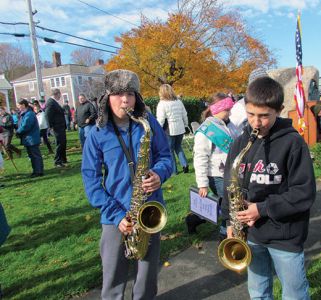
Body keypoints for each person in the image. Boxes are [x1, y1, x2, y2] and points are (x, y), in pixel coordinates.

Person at [221, 76, 316, 299]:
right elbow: (230, 183)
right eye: (251, 114)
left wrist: (261, 209)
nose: (256, 123)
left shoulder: (292, 143)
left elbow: (304, 192)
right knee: (258, 290)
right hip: (251, 234)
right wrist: (229, 219)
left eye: (264, 116)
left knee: (294, 293)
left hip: (285, 234)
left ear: (280, 110)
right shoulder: (240, 142)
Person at [81, 69, 173, 300]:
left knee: (147, 276)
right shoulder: (96, 133)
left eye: (130, 93)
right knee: (113, 276)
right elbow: (91, 180)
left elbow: (166, 156)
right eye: (119, 94)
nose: (125, 100)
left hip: (149, 209)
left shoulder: (147, 122)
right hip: (116, 214)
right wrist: (115, 215)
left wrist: (159, 175)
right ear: (106, 97)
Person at [188, 93, 239, 236]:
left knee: (222, 204)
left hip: (231, 173)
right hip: (216, 176)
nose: (230, 112)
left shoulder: (230, 124)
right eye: (227, 109)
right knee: (227, 207)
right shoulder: (206, 130)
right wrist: (202, 183)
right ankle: (225, 236)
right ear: (217, 109)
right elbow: (200, 158)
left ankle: (195, 219)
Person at [156, 84, 189, 174]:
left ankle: (174, 171)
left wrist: (157, 130)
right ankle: (185, 164)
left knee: (170, 150)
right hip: (180, 128)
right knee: (178, 147)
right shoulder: (178, 101)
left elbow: (161, 119)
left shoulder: (162, 104)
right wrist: (186, 124)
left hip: (169, 130)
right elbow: (184, 114)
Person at [16, 99, 44, 177]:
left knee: (35, 155)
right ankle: (36, 170)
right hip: (28, 138)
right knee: (32, 155)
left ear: (23, 105)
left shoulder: (29, 114)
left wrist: (18, 131)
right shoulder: (25, 114)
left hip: (31, 138)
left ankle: (38, 171)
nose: (18, 107)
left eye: (19, 105)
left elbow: (25, 126)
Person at [45, 88, 68, 167]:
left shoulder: (55, 102)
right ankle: (57, 161)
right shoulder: (50, 102)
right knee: (59, 143)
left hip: (60, 126)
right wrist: (50, 127)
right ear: (56, 94)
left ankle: (62, 159)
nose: (60, 96)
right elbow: (47, 115)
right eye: (60, 95)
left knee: (63, 143)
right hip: (56, 127)